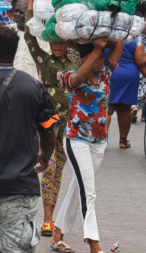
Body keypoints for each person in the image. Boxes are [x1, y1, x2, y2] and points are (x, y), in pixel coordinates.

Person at [0, 25, 58, 253]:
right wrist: (44, 157)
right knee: (16, 248)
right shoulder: (34, 86)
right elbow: (48, 132)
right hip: (20, 186)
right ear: (14, 53)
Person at [50, 38, 124, 253]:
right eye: (96, 57)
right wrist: (97, 48)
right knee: (88, 192)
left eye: (102, 57)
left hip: (99, 142)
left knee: (77, 187)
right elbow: (79, 77)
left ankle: (57, 235)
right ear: (84, 58)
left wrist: (108, 36)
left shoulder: (106, 73)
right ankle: (94, 244)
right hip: (77, 141)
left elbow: (119, 43)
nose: (101, 61)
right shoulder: (72, 77)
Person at [21, 0, 80, 236]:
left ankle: (48, 216)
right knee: (43, 167)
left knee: (57, 170)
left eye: (61, 42)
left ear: (66, 42)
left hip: (68, 125)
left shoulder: (75, 61)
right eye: (53, 42)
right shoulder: (45, 60)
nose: (57, 46)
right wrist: (32, 0)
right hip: (46, 123)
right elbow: (28, 35)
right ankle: (36, 214)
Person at [106, 37, 146, 149]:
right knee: (125, 108)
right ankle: (123, 141)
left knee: (106, 109)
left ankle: (102, 139)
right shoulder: (133, 35)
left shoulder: (105, 29)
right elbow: (143, 62)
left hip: (108, 72)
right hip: (128, 75)